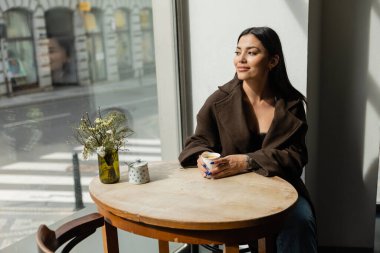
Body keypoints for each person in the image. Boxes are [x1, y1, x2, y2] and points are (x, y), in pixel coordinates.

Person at [178, 27, 317, 253]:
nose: (240, 59)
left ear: (273, 61)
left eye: (251, 53)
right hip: (231, 191)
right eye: (237, 51)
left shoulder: (291, 104)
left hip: (283, 189)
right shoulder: (218, 101)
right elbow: (197, 142)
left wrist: (246, 161)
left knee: (299, 222)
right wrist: (203, 157)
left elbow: (296, 156)